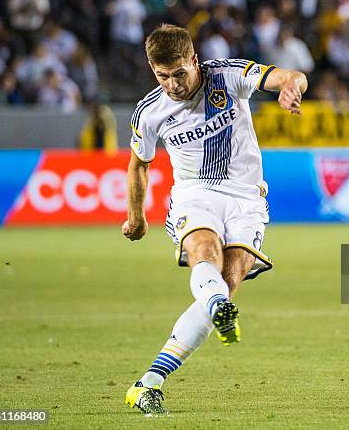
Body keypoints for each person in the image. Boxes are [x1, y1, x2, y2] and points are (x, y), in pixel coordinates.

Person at [122, 24, 307, 415]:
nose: (172, 84)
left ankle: (148, 384)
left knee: (230, 277)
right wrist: (135, 215)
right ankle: (217, 303)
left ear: (194, 60)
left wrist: (293, 86)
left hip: (246, 197)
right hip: (195, 193)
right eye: (162, 76)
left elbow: (286, 75)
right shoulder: (150, 111)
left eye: (179, 74)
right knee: (204, 249)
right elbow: (139, 164)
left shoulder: (227, 74)